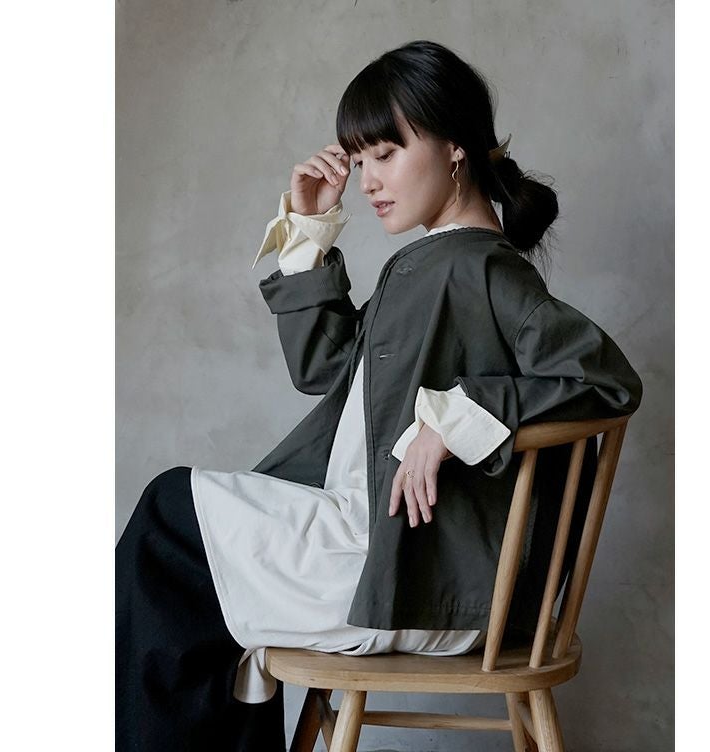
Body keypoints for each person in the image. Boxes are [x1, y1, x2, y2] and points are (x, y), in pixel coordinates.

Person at [116, 39, 643, 751]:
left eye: (386, 154)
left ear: (454, 148)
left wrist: (454, 421)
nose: (369, 181)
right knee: (186, 574)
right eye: (361, 160)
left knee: (167, 529)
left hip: (408, 570)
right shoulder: (429, 266)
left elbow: (604, 381)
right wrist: (309, 228)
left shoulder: (480, 270)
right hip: (381, 552)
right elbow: (326, 369)